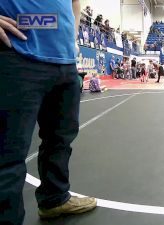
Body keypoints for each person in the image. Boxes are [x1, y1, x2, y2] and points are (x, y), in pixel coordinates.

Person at [0, 1, 97, 224]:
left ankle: (55, 199)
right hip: (15, 55)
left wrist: (71, 38)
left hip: (64, 61)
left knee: (60, 140)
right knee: (8, 155)